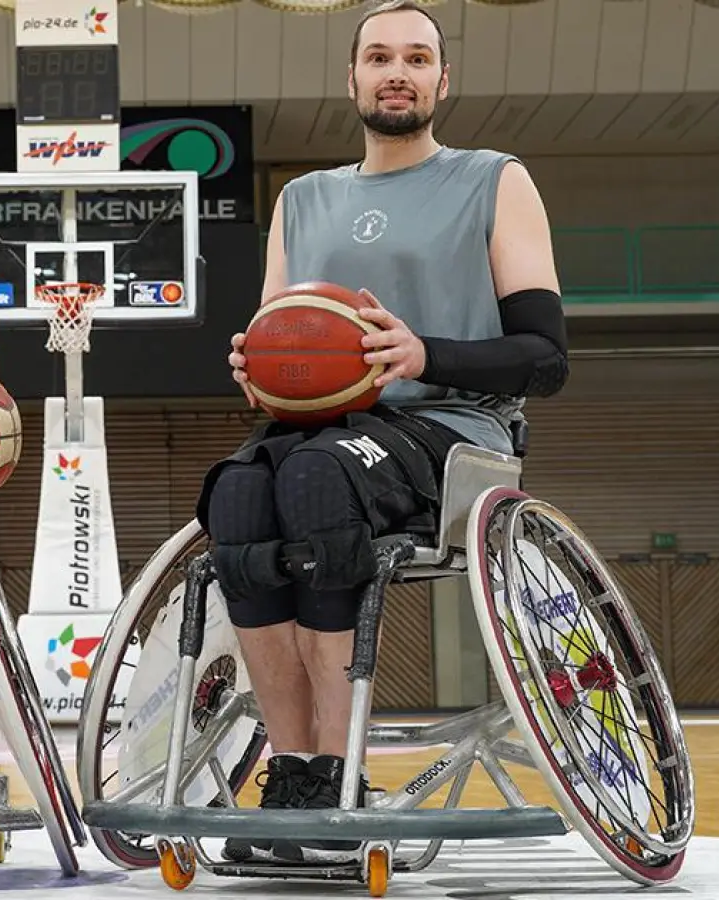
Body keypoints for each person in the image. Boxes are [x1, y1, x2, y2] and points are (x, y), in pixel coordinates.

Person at [199, 0, 569, 865]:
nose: (395, 71)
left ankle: (341, 771)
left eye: (415, 57)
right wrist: (258, 371)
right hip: (325, 435)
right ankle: (293, 771)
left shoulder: (493, 178)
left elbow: (545, 359)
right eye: (377, 57)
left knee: (315, 479)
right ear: (353, 79)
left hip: (454, 432)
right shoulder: (302, 199)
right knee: (240, 492)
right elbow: (282, 348)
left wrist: (421, 352)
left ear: (444, 80)